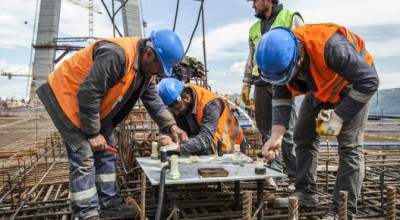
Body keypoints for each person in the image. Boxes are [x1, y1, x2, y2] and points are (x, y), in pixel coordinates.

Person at [36, 29, 189, 220]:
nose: (158, 74)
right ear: (149, 54)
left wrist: (171, 126)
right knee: (84, 156)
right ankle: (86, 213)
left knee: (107, 149)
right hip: (66, 99)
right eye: (159, 69)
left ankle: (109, 204)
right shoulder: (117, 55)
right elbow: (88, 92)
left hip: (94, 107)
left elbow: (153, 102)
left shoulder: (145, 69)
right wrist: (92, 133)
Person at [255, 24, 379, 218]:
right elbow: (281, 96)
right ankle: (306, 192)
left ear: (300, 57)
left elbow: (369, 82)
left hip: (355, 86)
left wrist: (339, 116)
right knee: (302, 134)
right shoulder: (279, 62)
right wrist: (277, 135)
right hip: (321, 89)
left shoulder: (331, 47)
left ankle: (342, 211)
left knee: (349, 146)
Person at [240, 0, 304, 190]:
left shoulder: (290, 17)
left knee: (288, 130)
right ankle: (275, 173)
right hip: (261, 82)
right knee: (265, 129)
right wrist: (246, 84)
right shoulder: (253, 29)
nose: (253, 6)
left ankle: (294, 177)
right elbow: (250, 58)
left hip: (284, 81)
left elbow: (303, 48)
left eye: (255, 1)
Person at [157, 78, 247, 155]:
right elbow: (165, 128)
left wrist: (176, 147)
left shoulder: (211, 104)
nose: (176, 113)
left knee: (196, 151)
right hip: (204, 141)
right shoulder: (174, 99)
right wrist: (166, 138)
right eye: (172, 110)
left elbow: (205, 139)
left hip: (229, 145)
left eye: (177, 108)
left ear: (187, 98)